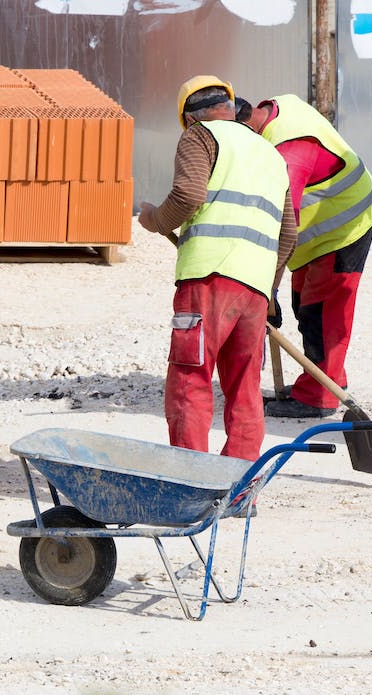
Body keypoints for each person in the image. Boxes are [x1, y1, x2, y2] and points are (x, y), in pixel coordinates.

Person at [137, 75, 297, 461]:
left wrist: (154, 219)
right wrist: (267, 287)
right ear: (229, 107)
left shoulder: (201, 136)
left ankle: (190, 477)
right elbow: (289, 233)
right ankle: (239, 480)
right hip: (255, 289)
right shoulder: (271, 155)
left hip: (208, 279)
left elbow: (188, 194)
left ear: (190, 118)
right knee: (245, 386)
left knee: (190, 376)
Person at [235, 94, 372, 418]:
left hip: (344, 227)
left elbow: (282, 227)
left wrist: (266, 291)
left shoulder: (289, 155)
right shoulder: (277, 109)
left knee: (323, 312)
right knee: (304, 303)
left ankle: (319, 396)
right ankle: (327, 378)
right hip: (318, 232)